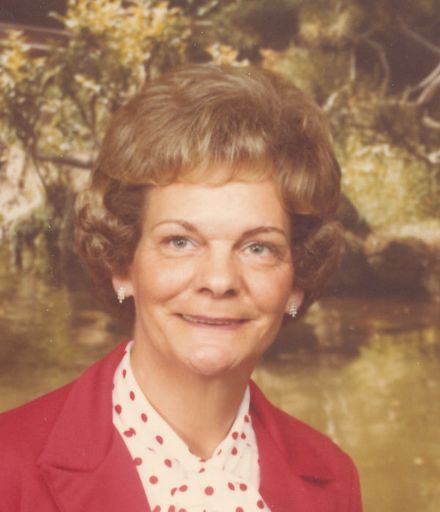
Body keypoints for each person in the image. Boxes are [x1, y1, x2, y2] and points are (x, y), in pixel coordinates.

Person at [0, 64, 362, 511]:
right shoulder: (7, 467)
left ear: (297, 281)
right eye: (180, 242)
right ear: (122, 263)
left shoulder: (334, 482)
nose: (219, 280)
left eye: (258, 248)